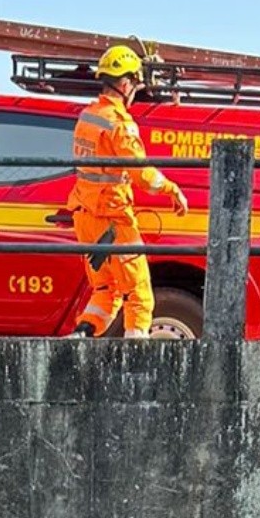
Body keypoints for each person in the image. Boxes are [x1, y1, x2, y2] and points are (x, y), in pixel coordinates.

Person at [67, 45, 190, 339]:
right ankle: (136, 363)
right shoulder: (119, 124)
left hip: (86, 218)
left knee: (106, 290)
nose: (135, 91)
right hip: (113, 220)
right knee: (140, 296)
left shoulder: (87, 116)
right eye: (135, 84)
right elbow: (142, 173)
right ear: (124, 84)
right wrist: (173, 189)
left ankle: (81, 336)